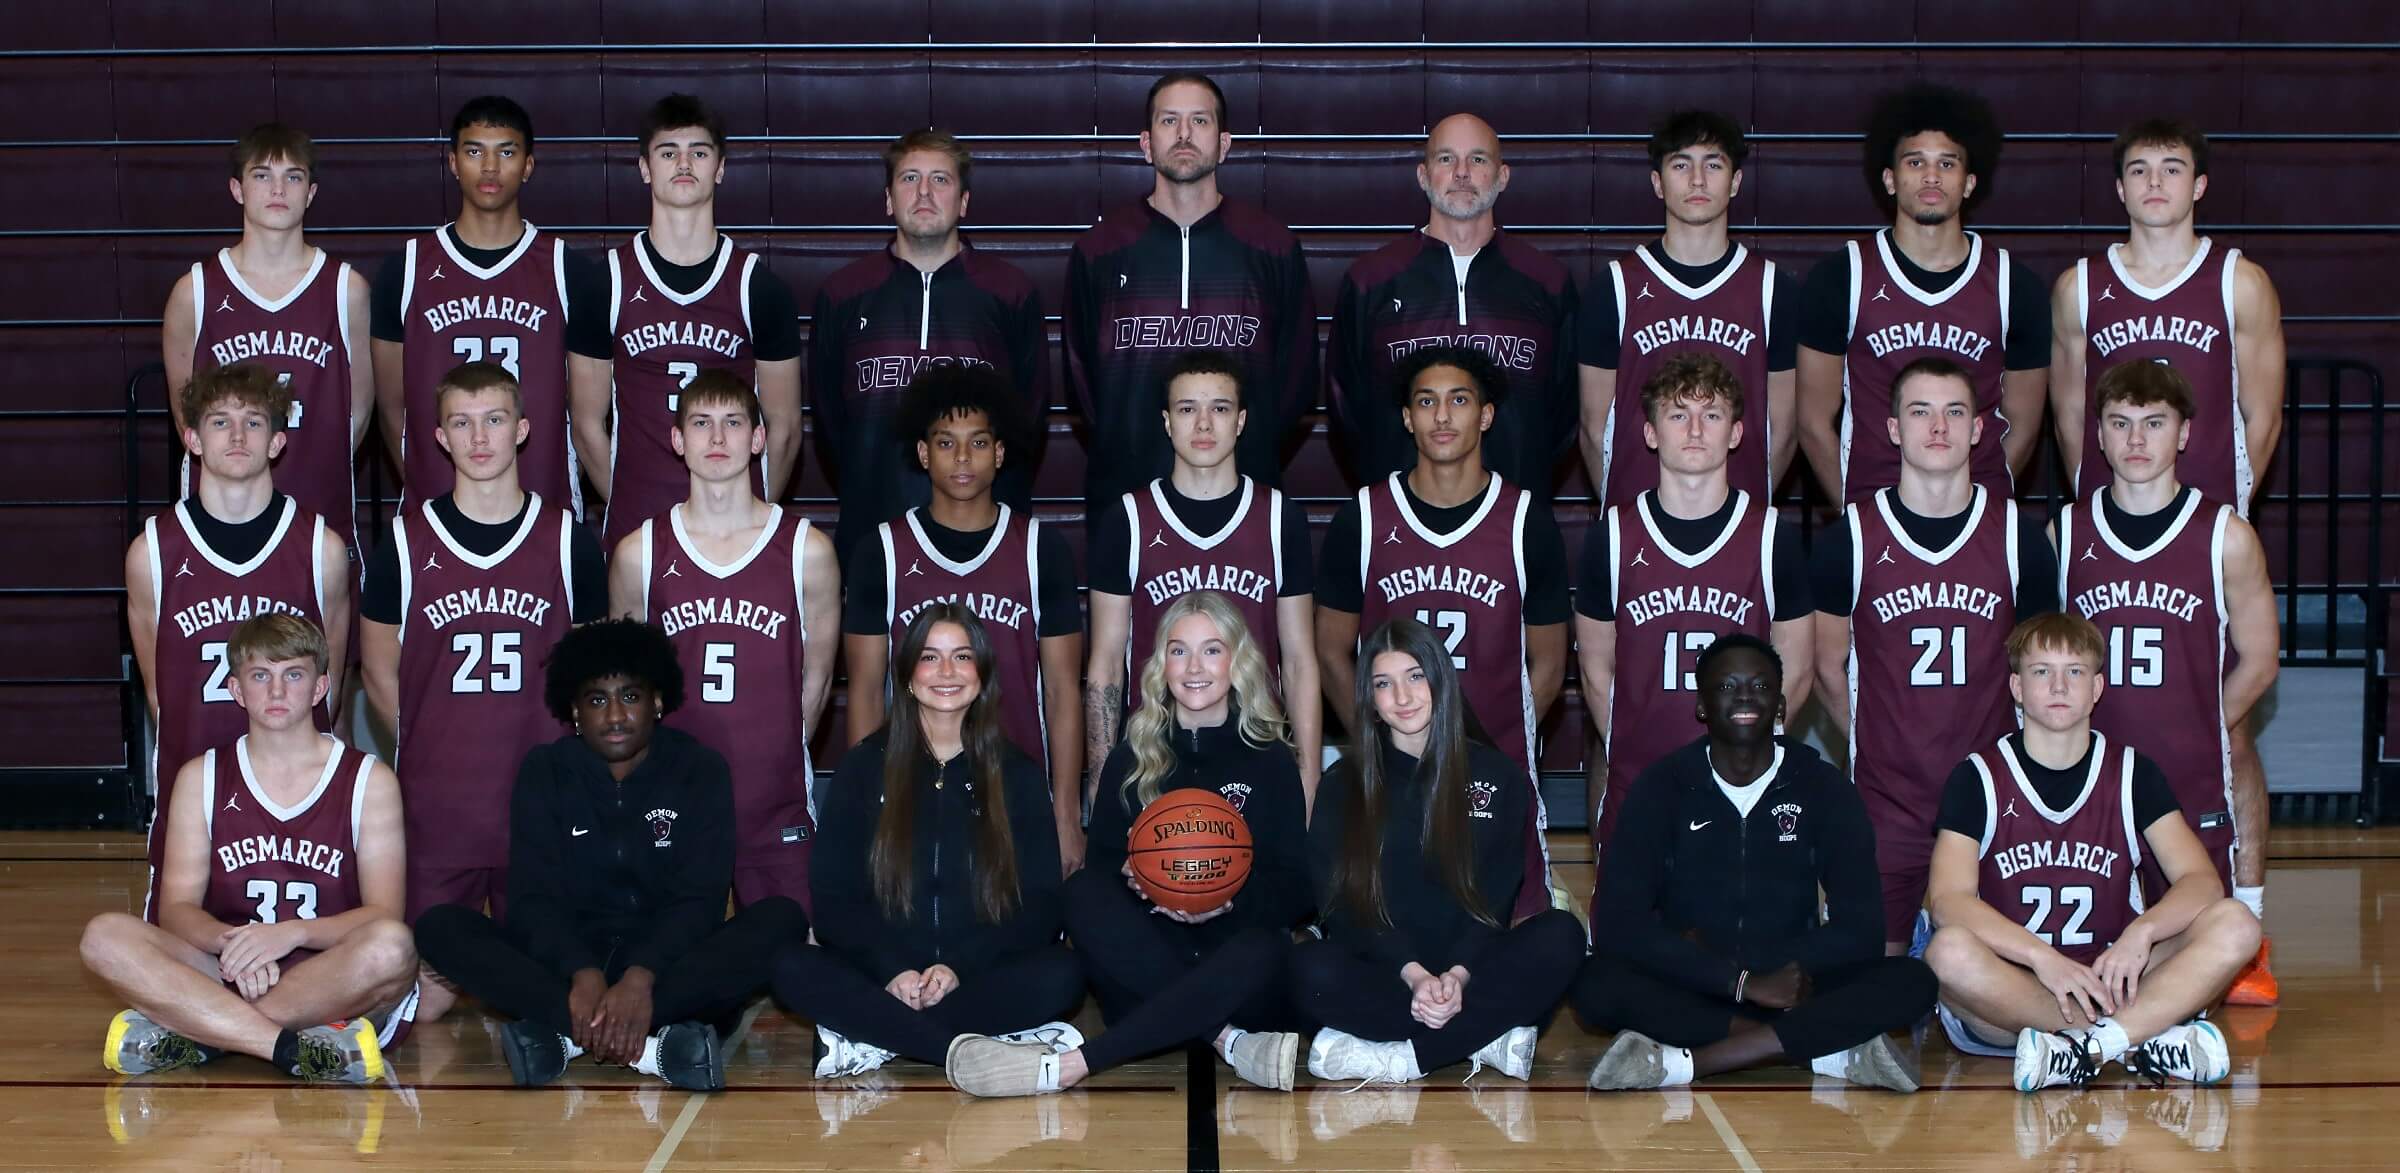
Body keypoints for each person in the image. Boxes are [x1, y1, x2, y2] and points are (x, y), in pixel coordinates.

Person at [413, 620, 809, 1091]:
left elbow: (699, 899)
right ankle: (656, 1047)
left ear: (657, 701)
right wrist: (581, 973)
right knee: (439, 926)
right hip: (569, 968)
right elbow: (532, 899)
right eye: (597, 700)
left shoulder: (699, 770)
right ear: (574, 711)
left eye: (631, 696)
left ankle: (567, 1037)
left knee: (782, 919)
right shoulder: (546, 771)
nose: (616, 716)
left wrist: (641, 977)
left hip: (667, 967)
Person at [950, 593, 1311, 1097]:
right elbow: (1101, 868)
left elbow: (1299, 888)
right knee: (1081, 893)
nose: (1194, 667)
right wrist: (1134, 880)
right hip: (1148, 965)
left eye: (1211, 650)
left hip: (1233, 967)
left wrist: (1231, 898)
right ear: (1161, 665)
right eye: (1178, 651)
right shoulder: (1131, 756)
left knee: (1265, 948)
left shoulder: (1270, 759)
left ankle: (1072, 1066)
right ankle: (1228, 1041)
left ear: (1238, 661)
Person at [1577, 635, 1933, 1093]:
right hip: (1695, 981)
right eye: (1727, 686)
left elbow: (1862, 929)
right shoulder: (1661, 787)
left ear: (1780, 705)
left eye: (1760, 686)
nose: (1745, 696)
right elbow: (1619, 925)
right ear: (1702, 706)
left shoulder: (1824, 788)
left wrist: (1776, 974)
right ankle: (1823, 1051)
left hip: (1793, 982)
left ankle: (1688, 1063)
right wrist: (1737, 981)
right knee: (1594, 984)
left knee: (1913, 980)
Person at [358, 361, 604, 1017]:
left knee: (556, 984)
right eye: (461, 423)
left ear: (521, 429)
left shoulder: (568, 541)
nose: (479, 437)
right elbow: (378, 670)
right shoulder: (404, 543)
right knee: (425, 1005)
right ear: (440, 437)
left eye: (494, 419)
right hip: (442, 807)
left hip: (540, 805)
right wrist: (426, 749)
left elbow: (591, 678)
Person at [1923, 613, 2258, 1091]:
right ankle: (2138, 1040)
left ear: (2097, 687)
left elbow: (2202, 882)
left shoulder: (2133, 773)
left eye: (2075, 671)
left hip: (2114, 978)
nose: (2059, 685)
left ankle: (2089, 1049)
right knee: (1948, 952)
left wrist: (2142, 933)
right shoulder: (1976, 778)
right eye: (2042, 671)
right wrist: (2042, 958)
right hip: (2018, 990)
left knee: (2237, 923)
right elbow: (1949, 901)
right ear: (2017, 687)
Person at [81, 614, 416, 1085]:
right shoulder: (201, 777)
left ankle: (204, 1033)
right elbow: (176, 910)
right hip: (228, 969)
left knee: (393, 947)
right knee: (103, 937)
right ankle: (285, 1047)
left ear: (320, 688)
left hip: (328, 971)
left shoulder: (368, 780)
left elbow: (383, 913)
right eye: (260, 675)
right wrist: (233, 945)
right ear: (236, 690)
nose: (276, 691)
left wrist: (291, 934)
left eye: (293, 675)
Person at [774, 606, 1084, 1081]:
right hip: (883, 977)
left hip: (974, 976)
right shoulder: (863, 767)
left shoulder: (1017, 774)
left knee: (1064, 974)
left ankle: (879, 1036)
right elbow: (835, 899)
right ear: (906, 675)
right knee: (789, 965)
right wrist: (892, 970)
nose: (946, 672)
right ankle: (961, 1047)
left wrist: (958, 967)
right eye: (929, 657)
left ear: (983, 674)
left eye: (962, 656)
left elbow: (1041, 905)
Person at [1810, 356, 2056, 952]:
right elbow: (1826, 667)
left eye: (1955, 412)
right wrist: (1874, 743)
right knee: (1871, 982)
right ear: (1894, 429)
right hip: (1886, 801)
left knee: (1989, 975)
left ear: (1978, 429)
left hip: (1993, 798)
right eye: (1921, 412)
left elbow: (2041, 674)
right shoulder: (1851, 537)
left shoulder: (2019, 538)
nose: (1939, 427)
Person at [1316, 345, 1570, 918]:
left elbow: (1551, 661)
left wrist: (1493, 748)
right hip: (1395, 760)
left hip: (1495, 757)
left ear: (1486, 414)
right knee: (1389, 915)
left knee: (1513, 920)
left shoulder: (1525, 519)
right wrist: (1378, 739)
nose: (1443, 416)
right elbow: (1331, 651)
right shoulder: (1363, 518)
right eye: (1426, 402)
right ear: (1407, 418)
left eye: (1459, 400)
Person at [2057, 360, 2282, 1004]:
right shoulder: (2065, 534)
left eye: (2154, 423)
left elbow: (2260, 659)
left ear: (2183, 434)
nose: (2136, 439)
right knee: (2091, 955)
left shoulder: (2226, 536)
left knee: (2201, 951)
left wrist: (2204, 727)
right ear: (2098, 434)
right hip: (2094, 775)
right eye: (2120, 423)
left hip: (2189, 771)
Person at [1294, 618, 1585, 1084]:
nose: (1402, 696)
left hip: (1471, 972)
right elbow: (1342, 908)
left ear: (1440, 681)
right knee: (1308, 969)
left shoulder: (1498, 776)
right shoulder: (1342, 785)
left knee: (1562, 935)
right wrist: (1414, 975)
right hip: (1388, 975)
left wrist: (1458, 975)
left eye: (1415, 676)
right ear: (1370, 700)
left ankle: (1405, 1058)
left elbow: (1496, 899)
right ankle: (1481, 1038)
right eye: (1383, 684)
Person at [126, 363, 352, 917]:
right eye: (219, 421)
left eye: (253, 422)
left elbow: (330, 686)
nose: (236, 435)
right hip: (198, 793)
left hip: (299, 798)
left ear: (277, 441)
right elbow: (160, 694)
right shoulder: (151, 552)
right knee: (176, 946)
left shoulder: (320, 549)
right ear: (191, 438)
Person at [1575, 353, 1813, 873]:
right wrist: (1627, 749)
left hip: (1742, 785)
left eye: (1712, 415)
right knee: (1632, 921)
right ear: (1651, 433)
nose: (1696, 430)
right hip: (1640, 781)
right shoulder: (1611, 537)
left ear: (1736, 433)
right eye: (1678, 415)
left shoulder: (1772, 537)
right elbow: (1595, 668)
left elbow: (1797, 669)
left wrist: (1753, 752)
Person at [611, 369, 840, 911]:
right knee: (669, 958)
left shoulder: (807, 551)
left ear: (758, 438)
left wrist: (775, 759)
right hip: (672, 799)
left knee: (792, 947)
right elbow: (626, 687)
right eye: (701, 423)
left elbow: (817, 680)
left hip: (775, 800)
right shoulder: (638, 553)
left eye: (733, 423)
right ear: (677, 439)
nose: (717, 438)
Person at [843, 365, 1085, 870]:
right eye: (945, 443)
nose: (961, 457)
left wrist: (1065, 814)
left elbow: (1063, 691)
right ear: (923, 453)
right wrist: (866, 804)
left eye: (977, 442)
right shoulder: (880, 552)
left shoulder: (1041, 550)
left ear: (999, 453)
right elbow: (864, 691)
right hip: (910, 796)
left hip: (1016, 795)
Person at [1065, 70, 1314, 518]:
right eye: (1169, 121)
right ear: (1146, 144)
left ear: (1224, 143)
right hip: (1126, 499)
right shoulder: (1099, 251)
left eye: (1199, 121)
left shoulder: (1273, 248)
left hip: (1246, 499)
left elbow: (1295, 383)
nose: (1184, 134)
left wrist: (1252, 449)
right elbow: (1083, 384)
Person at [1794, 84, 2050, 504]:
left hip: (1978, 516)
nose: (1932, 176)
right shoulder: (1841, 277)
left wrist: (1980, 508)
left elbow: (2022, 427)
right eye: (1916, 162)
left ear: (1969, 183)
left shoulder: (2014, 285)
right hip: (1872, 507)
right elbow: (1812, 421)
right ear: (1890, 179)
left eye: (1947, 163)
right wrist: (1854, 517)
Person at [1084, 350, 1320, 802]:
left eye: (1220, 408)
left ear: (1241, 421)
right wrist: (1098, 779)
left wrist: (1308, 778)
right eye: (1188, 409)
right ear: (1167, 422)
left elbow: (1298, 661)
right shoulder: (1127, 521)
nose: (1204, 424)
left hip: (1256, 752)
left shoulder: (1279, 519)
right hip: (1154, 757)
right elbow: (1107, 663)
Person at [571, 93, 804, 545]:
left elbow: (786, 429)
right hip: (638, 523)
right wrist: (628, 502)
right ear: (644, 168)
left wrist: (748, 513)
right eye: (667, 152)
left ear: (720, 168)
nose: (683, 164)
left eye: (698, 152)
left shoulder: (758, 287)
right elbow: (586, 424)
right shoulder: (606, 285)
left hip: (734, 530)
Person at [808, 127, 1049, 564]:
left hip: (986, 543)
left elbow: (1026, 422)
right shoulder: (842, 295)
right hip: (873, 534)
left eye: (940, 179)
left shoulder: (1011, 293)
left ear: (964, 202)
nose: (924, 192)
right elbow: (830, 424)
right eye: (909, 178)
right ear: (888, 199)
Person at [370, 96, 612, 511]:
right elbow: (393, 410)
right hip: (435, 513)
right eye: (474, 151)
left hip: (544, 507)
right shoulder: (405, 271)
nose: (489, 167)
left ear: (528, 166)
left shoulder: (569, 272)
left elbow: (588, 416)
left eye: (506, 152)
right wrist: (429, 488)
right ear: (452, 162)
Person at [1330, 112, 1577, 490]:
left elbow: (1567, 414)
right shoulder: (1370, 281)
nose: (1462, 173)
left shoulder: (1548, 282)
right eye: (1446, 159)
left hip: (1516, 512)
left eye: (1478, 159)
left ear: (1503, 177)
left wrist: (1526, 487)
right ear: (1423, 175)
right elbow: (1347, 412)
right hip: (1399, 513)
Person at [2052, 118, 2286, 517]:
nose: (2154, 182)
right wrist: (2091, 496)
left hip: (2209, 508)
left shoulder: (2241, 282)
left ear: (2199, 186)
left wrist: (2230, 506)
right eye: (2139, 170)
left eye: (2172, 169)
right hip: (2109, 512)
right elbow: (2069, 416)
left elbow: (2263, 416)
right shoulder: (2078, 287)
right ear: (2121, 189)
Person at [161, 122, 374, 553]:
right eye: (262, 175)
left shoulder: (346, 290)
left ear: (310, 193)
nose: (278, 189)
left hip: (317, 503)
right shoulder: (195, 292)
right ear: (237, 189)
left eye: (293, 177)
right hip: (223, 512)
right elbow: (187, 416)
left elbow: (358, 413)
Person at [1579, 109, 1799, 509]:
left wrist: (1747, 511)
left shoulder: (1773, 290)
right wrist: (1623, 514)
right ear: (1657, 183)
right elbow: (1594, 430)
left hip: (1740, 523)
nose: (1697, 180)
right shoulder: (1614, 287)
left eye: (1713, 165)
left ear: (1735, 182)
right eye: (1681, 165)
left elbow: (1783, 430)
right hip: (1637, 520)